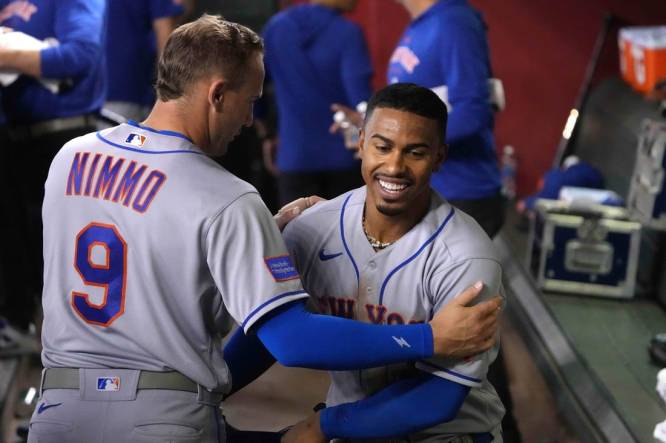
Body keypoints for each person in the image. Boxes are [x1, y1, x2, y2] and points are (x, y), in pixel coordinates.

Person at [30, 15, 502, 442]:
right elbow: (290, 340)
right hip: (161, 412)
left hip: (59, 408)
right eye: (250, 101)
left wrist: (254, 243)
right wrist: (429, 338)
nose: (251, 119)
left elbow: (147, 247)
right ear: (217, 94)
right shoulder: (225, 196)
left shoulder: (70, 157)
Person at [229, 83, 505, 442]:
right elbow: (272, 331)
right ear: (361, 143)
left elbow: (439, 397)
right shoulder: (311, 230)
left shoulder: (465, 256)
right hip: (349, 426)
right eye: (383, 147)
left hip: (446, 435)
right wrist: (209, 388)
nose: (394, 166)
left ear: (439, 157)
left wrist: (322, 426)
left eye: (416, 153)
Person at [0, 0, 106, 330]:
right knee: (30, 269)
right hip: (15, 142)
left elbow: (80, 56)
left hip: (66, 138)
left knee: (68, 265)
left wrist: (5, 55)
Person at [260, 0, 372, 204]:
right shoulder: (348, 33)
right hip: (345, 160)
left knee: (294, 234)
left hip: (294, 158)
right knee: (346, 234)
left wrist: (268, 133)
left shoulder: (276, 28)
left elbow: (255, 89)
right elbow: (362, 103)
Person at [104, 0, 184, 121]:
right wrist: (170, 95)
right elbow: (165, 32)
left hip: (95, 90)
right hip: (129, 90)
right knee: (136, 139)